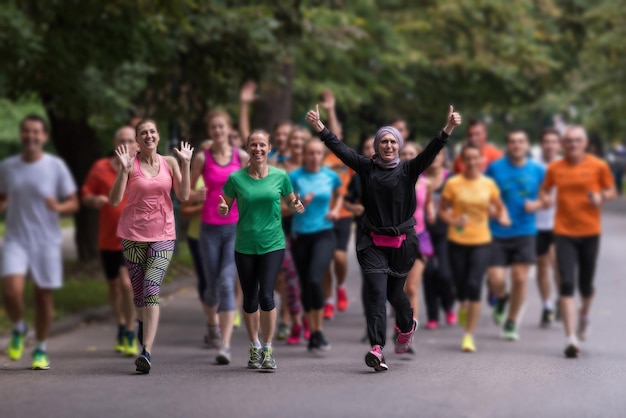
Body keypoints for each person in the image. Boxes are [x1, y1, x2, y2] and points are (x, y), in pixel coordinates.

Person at [306, 104, 462, 372]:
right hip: (371, 241)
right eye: (383, 141)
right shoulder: (366, 168)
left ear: (398, 146)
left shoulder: (409, 170)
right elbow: (340, 149)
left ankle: (407, 325)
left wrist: (448, 128)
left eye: (392, 141)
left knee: (395, 293)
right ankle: (377, 348)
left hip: (403, 242)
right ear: (377, 146)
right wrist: (320, 127)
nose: (388, 145)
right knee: (377, 293)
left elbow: (432, 151)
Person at [110, 119, 193, 373]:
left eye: (153, 131)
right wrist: (123, 171)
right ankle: (142, 323)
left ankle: (146, 350)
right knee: (138, 293)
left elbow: (184, 195)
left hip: (164, 233)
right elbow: (114, 201)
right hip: (133, 235)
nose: (149, 135)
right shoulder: (129, 164)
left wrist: (186, 165)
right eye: (143, 133)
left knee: (151, 287)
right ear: (137, 139)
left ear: (158, 136)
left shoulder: (169, 163)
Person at [219, 130, 304, 371]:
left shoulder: (280, 176)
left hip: (273, 244)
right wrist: (223, 208)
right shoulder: (236, 179)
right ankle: (254, 344)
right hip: (245, 245)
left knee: (267, 295)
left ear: (268, 148)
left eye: (262, 145)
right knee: (250, 298)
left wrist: (297, 204)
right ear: (248, 148)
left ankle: (267, 348)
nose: (257, 149)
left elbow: (290, 200)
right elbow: (224, 202)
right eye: (253, 145)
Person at [1, 114, 79, 370]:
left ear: (44, 136)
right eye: (26, 131)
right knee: (10, 291)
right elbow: (2, 197)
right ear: (21, 134)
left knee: (43, 297)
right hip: (16, 239)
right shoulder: (8, 167)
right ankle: (19, 328)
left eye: (36, 132)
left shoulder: (55, 166)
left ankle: (41, 348)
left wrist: (58, 206)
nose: (31, 136)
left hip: (46, 241)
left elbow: (74, 202)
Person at [539, 125, 616, 358]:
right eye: (568, 141)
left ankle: (584, 315)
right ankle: (570, 338)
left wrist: (600, 197)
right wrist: (545, 199)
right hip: (563, 232)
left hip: (590, 231)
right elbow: (545, 189)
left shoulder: (598, 165)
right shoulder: (555, 167)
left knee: (585, 286)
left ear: (584, 143)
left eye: (577, 141)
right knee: (567, 284)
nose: (572, 145)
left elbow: (611, 191)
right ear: (563, 145)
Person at [190, 110, 249, 365]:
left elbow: (253, 186)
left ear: (228, 128)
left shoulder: (242, 157)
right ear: (209, 131)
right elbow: (186, 190)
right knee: (212, 284)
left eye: (221, 127)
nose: (217, 131)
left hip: (236, 227)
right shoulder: (203, 158)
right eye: (213, 127)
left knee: (227, 281)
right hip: (209, 229)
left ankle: (224, 345)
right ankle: (212, 325)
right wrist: (195, 196)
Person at [439, 144, 509, 353]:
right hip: (457, 241)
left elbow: (499, 207)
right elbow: (442, 211)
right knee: (459, 286)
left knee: (474, 284)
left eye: (474, 158)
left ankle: (468, 335)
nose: (471, 162)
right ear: (461, 161)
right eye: (466, 159)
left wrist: (503, 216)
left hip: (481, 241)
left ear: (481, 161)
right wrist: (453, 219)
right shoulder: (453, 183)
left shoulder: (488, 184)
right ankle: (461, 302)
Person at [485, 130, 546, 341]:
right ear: (507, 145)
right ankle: (502, 298)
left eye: (520, 141)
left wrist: (536, 204)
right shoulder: (495, 168)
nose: (516, 145)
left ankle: (511, 322)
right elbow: (485, 196)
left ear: (527, 144)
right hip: (497, 231)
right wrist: (495, 212)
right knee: (495, 279)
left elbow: (547, 198)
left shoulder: (538, 170)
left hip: (525, 231)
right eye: (512, 141)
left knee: (520, 278)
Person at [82, 126, 138, 356]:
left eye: (130, 140)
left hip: (133, 237)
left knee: (127, 285)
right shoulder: (100, 167)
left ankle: (131, 330)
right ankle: (121, 326)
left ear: (136, 145)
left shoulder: (141, 168)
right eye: (121, 140)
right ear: (115, 144)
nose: (125, 144)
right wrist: (93, 199)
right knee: (114, 286)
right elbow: (85, 194)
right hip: (108, 238)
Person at [290, 138, 343, 352]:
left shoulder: (331, 176)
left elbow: (339, 194)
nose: (314, 157)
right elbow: (286, 208)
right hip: (301, 235)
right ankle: (311, 332)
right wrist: (301, 204)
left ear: (322, 155)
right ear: (304, 155)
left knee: (314, 278)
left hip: (324, 233)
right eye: (310, 153)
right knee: (305, 282)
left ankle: (318, 331)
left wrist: (337, 209)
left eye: (317, 153)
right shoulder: (294, 177)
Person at [320, 89, 354, 319]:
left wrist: (331, 110)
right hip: (321, 214)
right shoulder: (320, 159)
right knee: (324, 260)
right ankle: (328, 299)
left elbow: (335, 134)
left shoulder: (346, 159)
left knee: (339, 257)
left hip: (342, 213)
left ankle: (341, 286)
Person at [397, 142, 435, 348]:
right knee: (398, 288)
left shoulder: (425, 183)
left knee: (412, 286)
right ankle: (401, 325)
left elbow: (427, 203)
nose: (408, 157)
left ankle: (410, 330)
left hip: (419, 237)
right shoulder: (394, 179)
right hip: (398, 237)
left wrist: (431, 211)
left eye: (412, 154)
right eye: (404, 154)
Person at [275, 127, 310, 345]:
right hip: (284, 227)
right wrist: (294, 206)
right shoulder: (280, 169)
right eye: (294, 139)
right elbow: (275, 204)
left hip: (309, 229)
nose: (297, 142)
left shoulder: (315, 168)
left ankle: (302, 317)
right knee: (287, 275)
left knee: (305, 275)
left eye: (301, 139)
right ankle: (289, 318)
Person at [343, 136, 375, 342]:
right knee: (370, 278)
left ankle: (402, 324)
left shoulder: (395, 171)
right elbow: (347, 202)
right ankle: (371, 324)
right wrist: (355, 208)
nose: (371, 151)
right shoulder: (358, 176)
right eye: (366, 147)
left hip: (389, 233)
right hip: (365, 232)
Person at [422, 149, 457, 329]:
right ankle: (432, 315)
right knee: (428, 273)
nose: (434, 158)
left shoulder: (451, 179)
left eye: (438, 155)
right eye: (432, 154)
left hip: (445, 233)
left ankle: (448, 305)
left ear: (444, 158)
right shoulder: (418, 178)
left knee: (444, 274)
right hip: (423, 234)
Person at [534, 128, 561, 326]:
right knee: (543, 267)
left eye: (554, 142)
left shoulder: (565, 165)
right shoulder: (534, 166)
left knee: (558, 265)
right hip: (537, 223)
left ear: (558, 145)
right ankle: (547, 305)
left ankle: (562, 297)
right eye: (547, 142)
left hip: (560, 224)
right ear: (542, 144)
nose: (550, 145)